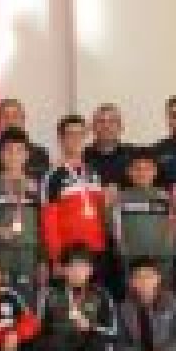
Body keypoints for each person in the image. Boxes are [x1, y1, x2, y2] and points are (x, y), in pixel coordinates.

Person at [31, 245, 116, 351]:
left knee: (97, 343)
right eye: (72, 267)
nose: (77, 272)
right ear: (63, 270)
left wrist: (90, 327)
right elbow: (37, 332)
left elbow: (113, 332)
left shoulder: (102, 295)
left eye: (82, 267)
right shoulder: (49, 295)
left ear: (90, 270)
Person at [110, 147, 176, 295]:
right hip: (130, 259)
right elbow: (110, 226)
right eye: (137, 169)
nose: (142, 173)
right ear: (129, 172)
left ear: (155, 171)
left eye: (147, 169)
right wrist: (108, 204)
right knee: (133, 298)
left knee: (164, 297)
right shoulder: (119, 198)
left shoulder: (169, 197)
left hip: (162, 259)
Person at [0, 128, 45, 303]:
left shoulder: (38, 187)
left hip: (29, 253)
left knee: (27, 301)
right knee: (0, 299)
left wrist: (43, 260)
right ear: (0, 155)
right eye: (8, 151)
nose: (14, 156)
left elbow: (44, 225)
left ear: (27, 155)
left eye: (19, 151)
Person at [40, 114, 107, 266]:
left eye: (80, 134)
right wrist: (56, 256)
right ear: (61, 139)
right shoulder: (53, 175)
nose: (76, 139)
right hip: (70, 251)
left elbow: (101, 213)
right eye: (70, 134)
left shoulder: (94, 172)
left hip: (97, 248)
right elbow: (49, 220)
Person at [0, 98, 51, 181]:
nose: (10, 121)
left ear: (23, 120)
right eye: (5, 116)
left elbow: (44, 183)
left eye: (15, 116)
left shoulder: (40, 155)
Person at [84, 103, 135, 187]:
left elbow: (144, 190)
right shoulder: (81, 157)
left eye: (112, 121)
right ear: (92, 127)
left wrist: (121, 193)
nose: (106, 126)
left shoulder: (134, 156)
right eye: (101, 121)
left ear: (121, 127)